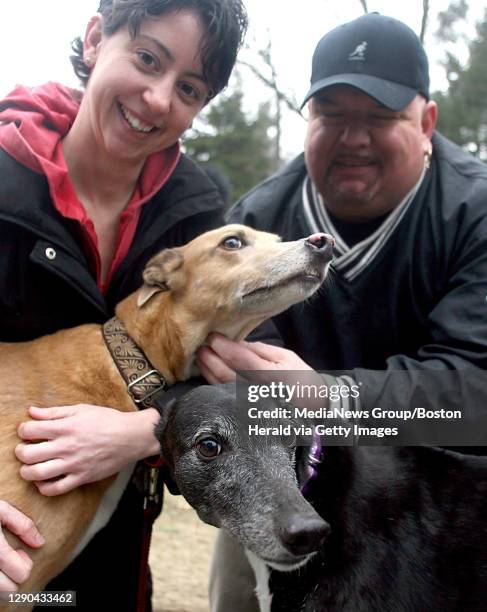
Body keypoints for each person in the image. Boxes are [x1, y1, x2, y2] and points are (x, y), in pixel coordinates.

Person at [195, 13, 487, 612]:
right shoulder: (259, 220)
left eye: (380, 117)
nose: (354, 138)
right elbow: (226, 373)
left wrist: (331, 401)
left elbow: (475, 394)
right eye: (332, 114)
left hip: (446, 492)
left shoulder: (473, 213)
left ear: (427, 122)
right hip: (290, 475)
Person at [0, 0, 247, 608]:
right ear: (93, 39)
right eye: (147, 59)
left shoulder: (196, 221)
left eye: (188, 87)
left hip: (115, 553)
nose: (159, 99)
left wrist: (146, 429)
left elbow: (223, 376)